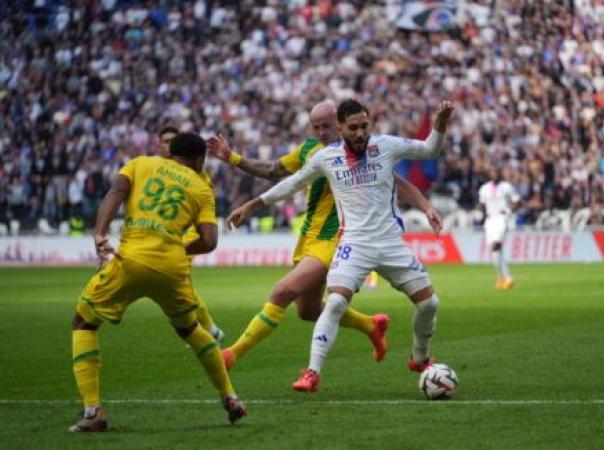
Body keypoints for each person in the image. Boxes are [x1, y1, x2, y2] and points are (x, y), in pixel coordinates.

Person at [227, 98, 453, 393]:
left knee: (430, 303)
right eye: (353, 128)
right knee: (334, 303)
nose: (360, 133)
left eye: (364, 126)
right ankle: (311, 372)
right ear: (341, 127)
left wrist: (441, 123)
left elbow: (429, 149)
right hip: (353, 244)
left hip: (389, 243)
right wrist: (253, 205)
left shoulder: (385, 146)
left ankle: (419, 358)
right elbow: (291, 183)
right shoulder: (326, 158)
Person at [68, 133, 246, 432]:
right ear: (200, 160)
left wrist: (100, 234)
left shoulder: (140, 164)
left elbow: (116, 191)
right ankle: (230, 398)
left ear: (169, 153)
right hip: (172, 269)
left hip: (131, 261)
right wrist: (175, 247)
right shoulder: (202, 188)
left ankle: (93, 410)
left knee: (83, 322)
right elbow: (209, 241)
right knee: (191, 330)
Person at [157, 126, 225, 343]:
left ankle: (200, 331)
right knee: (180, 284)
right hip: (165, 234)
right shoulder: (156, 168)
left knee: (178, 281)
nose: (167, 145)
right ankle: (208, 331)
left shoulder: (198, 177)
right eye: (164, 141)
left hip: (187, 234)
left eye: (171, 141)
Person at [478, 168, 520, 289]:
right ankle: (503, 278)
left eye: (496, 171)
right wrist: (481, 214)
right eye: (492, 171)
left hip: (502, 219)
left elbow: (516, 200)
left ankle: (507, 277)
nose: (494, 173)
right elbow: (482, 203)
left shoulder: (506, 186)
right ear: (489, 173)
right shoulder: (484, 188)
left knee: (496, 245)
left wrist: (510, 210)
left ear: (500, 173)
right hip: (490, 220)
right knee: (494, 251)